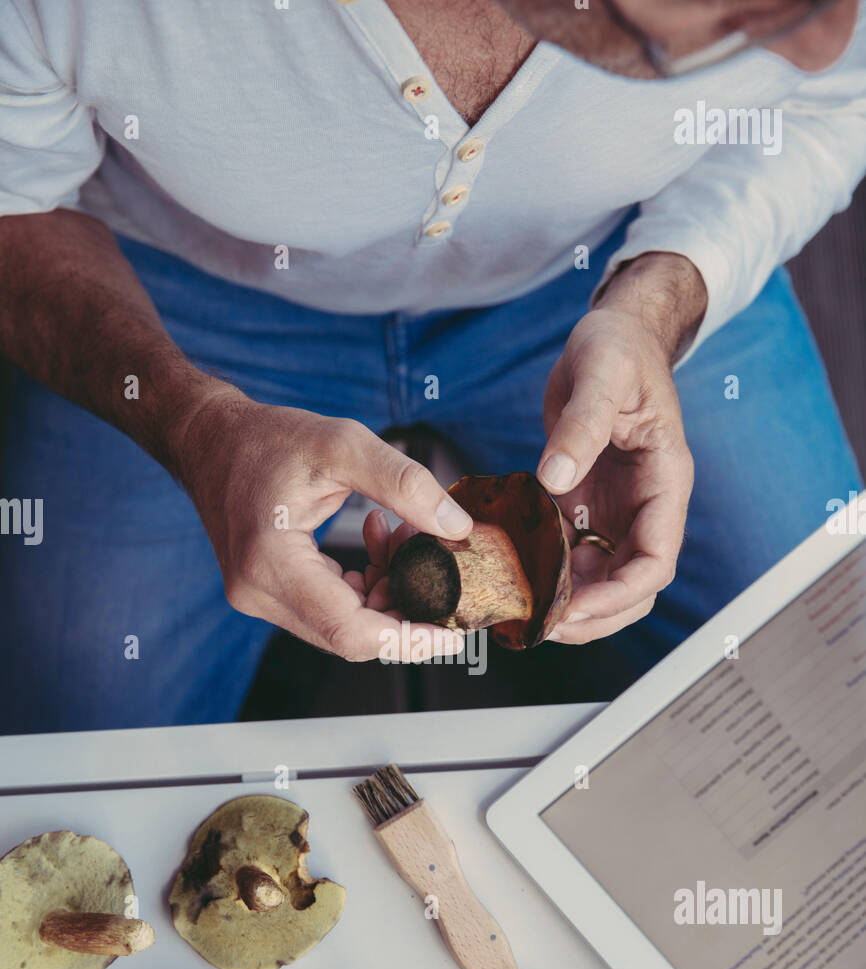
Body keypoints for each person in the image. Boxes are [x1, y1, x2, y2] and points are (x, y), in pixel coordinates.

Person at [0, 0, 862, 732]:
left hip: (614, 274)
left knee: (830, 668)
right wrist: (192, 426)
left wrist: (658, 303)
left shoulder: (829, 20)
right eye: (756, 13)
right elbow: (14, 200)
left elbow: (827, 101)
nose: (830, 39)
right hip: (182, 302)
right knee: (74, 710)